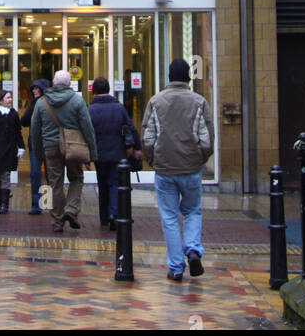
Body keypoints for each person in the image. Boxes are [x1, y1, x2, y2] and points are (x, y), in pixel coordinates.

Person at [141, 58, 215, 283]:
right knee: (193, 211)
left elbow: (147, 137)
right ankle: (193, 249)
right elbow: (207, 138)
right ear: (188, 78)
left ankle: (175, 267)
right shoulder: (199, 102)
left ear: (169, 77)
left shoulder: (156, 101)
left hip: (165, 169)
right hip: (191, 168)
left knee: (169, 217)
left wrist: (153, 160)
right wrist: (201, 159)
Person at [29, 69, 98, 234]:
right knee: (76, 178)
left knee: (54, 183)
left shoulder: (42, 102)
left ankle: (57, 221)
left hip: (50, 147)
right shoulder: (77, 101)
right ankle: (71, 209)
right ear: (69, 84)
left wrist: (38, 153)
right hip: (73, 146)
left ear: (53, 83)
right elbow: (87, 127)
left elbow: (34, 130)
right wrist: (92, 153)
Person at [88, 76, 141, 229]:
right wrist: (137, 148)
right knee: (114, 184)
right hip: (118, 153)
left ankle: (104, 217)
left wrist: (87, 155)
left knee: (102, 185)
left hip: (99, 154)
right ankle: (114, 213)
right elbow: (131, 128)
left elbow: (86, 132)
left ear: (94, 91)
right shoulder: (119, 108)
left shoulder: (90, 110)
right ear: (108, 89)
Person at [21, 78, 51, 214]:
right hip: (35, 144)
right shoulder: (33, 104)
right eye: (33, 88)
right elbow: (24, 121)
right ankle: (36, 204)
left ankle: (48, 202)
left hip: (49, 143)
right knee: (35, 173)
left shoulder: (51, 104)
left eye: (37, 88)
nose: (34, 91)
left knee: (50, 175)